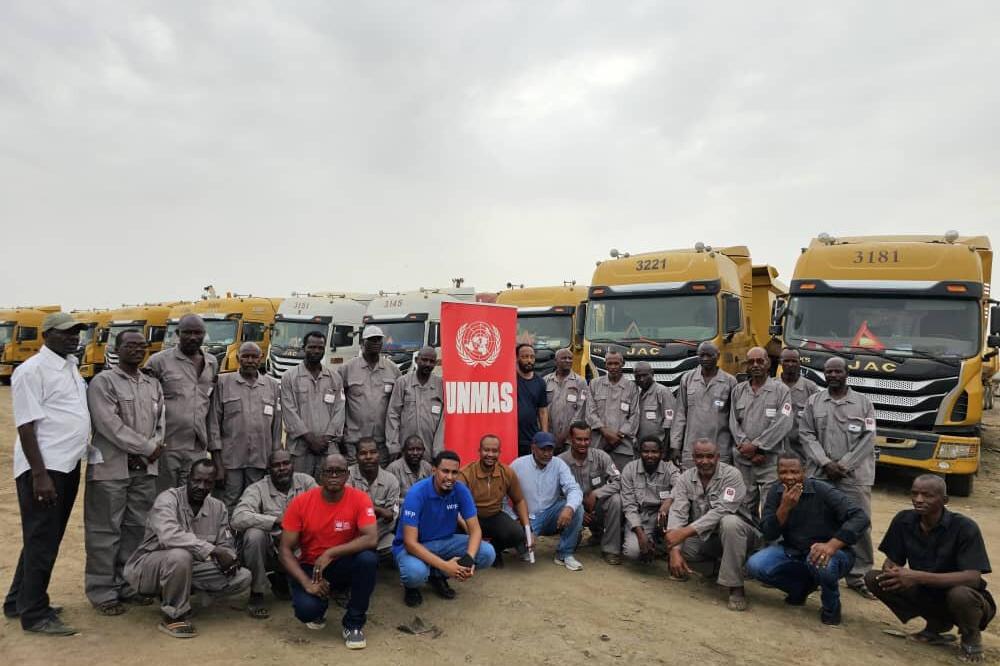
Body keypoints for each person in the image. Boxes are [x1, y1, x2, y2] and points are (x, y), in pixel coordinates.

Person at [4, 312, 90, 635]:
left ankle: (18, 601)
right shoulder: (31, 371)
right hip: (44, 468)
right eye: (66, 332)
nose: (74, 337)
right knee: (43, 540)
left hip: (68, 464)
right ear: (46, 335)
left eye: (77, 332)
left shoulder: (70, 366)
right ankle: (36, 614)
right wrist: (39, 475)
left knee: (42, 538)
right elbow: (25, 426)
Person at [866, 475, 995, 663]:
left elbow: (972, 578)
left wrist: (916, 576)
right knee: (874, 578)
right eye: (914, 493)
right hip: (927, 593)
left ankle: (971, 636)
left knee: (960, 595)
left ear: (944, 501)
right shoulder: (904, 520)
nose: (918, 500)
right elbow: (893, 560)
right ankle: (936, 624)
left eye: (927, 495)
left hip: (966, 599)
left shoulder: (964, 527)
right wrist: (891, 570)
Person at [84, 329, 165, 616]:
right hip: (111, 469)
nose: (137, 350)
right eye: (130, 345)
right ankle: (102, 591)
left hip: (144, 470)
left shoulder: (151, 384)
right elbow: (109, 424)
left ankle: (128, 585)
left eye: (142, 346)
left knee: (135, 530)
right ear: (117, 349)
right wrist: (144, 448)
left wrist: (152, 449)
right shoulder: (102, 382)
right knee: (105, 531)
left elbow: (160, 423)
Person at [123, 459, 252, 638]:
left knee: (242, 577)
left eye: (208, 482)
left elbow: (224, 544)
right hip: (149, 568)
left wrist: (229, 557)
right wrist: (213, 551)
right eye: (197, 480)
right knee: (180, 555)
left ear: (214, 484)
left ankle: (182, 595)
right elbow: (169, 536)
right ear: (187, 478)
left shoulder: (218, 507)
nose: (201, 486)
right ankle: (173, 615)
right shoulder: (167, 499)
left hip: (192, 568)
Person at [746, 452, 869, 625]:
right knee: (756, 565)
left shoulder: (822, 489)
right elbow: (769, 533)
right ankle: (800, 589)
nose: (789, 477)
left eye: (794, 472)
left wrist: (831, 545)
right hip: (793, 550)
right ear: (777, 473)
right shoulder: (776, 492)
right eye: (783, 472)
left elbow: (860, 517)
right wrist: (784, 507)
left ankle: (831, 608)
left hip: (834, 554)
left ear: (804, 471)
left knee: (820, 561)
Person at [278, 453, 378, 650]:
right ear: (319, 475)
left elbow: (371, 538)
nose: (334, 476)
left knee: (368, 559)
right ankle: (319, 603)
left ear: (347, 475)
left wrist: (332, 553)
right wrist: (306, 583)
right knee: (307, 612)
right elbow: (284, 550)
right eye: (328, 471)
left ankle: (354, 623)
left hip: (342, 562)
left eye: (339, 471)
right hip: (311, 566)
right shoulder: (301, 502)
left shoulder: (360, 498)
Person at [800, 356, 877, 600]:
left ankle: (859, 576)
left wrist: (843, 465)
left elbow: (868, 438)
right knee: (818, 521)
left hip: (853, 476)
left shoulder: (863, 404)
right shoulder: (814, 402)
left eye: (837, 371)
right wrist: (825, 462)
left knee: (860, 523)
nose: (832, 375)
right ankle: (817, 569)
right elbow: (806, 434)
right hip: (821, 474)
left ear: (846, 373)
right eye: (828, 371)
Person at [665, 438, 760, 612]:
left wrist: (684, 532)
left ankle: (736, 586)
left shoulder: (732, 475)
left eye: (709, 456)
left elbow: (722, 510)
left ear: (717, 457)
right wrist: (674, 550)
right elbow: (678, 512)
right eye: (699, 457)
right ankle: (714, 568)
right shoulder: (686, 477)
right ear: (693, 458)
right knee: (677, 546)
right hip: (707, 537)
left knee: (729, 522)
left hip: (740, 536)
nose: (704, 461)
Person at [394, 451, 496, 607]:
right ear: (434, 471)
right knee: (416, 574)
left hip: (445, 542)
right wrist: (446, 567)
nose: (450, 477)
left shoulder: (461, 491)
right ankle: (412, 587)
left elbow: (475, 530)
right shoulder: (416, 493)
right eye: (445, 471)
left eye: (454, 472)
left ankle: (436, 575)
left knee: (487, 553)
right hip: (415, 547)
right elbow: (410, 543)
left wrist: (468, 559)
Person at [231, 450, 316, 620]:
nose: (282, 468)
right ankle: (257, 593)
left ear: (293, 465)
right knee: (254, 535)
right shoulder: (257, 488)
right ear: (268, 470)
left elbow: (323, 508)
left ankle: (283, 579)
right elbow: (237, 518)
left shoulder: (306, 482)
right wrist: (275, 520)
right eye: (276, 465)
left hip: (300, 548)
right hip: (271, 551)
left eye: (286, 463)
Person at [145, 314, 219, 492]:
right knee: (164, 498)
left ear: (204, 334)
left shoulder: (212, 362)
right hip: (167, 447)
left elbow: (209, 404)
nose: (193, 337)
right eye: (187, 332)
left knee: (192, 497)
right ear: (177, 333)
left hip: (197, 447)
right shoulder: (158, 361)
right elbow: (146, 404)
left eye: (198, 332)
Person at [208, 342, 283, 510]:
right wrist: (218, 464)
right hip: (230, 462)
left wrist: (275, 460)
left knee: (256, 504)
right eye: (245, 356)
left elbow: (277, 428)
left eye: (254, 357)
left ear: (261, 359)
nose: (249, 360)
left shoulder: (272, 386)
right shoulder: (223, 383)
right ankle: (227, 536)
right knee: (228, 504)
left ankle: (249, 536)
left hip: (260, 462)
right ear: (237, 358)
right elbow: (213, 424)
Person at [729, 347, 794, 519]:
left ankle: (768, 544)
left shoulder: (781, 390)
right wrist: (747, 449)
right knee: (744, 508)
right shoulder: (738, 390)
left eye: (760, 361)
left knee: (770, 508)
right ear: (747, 366)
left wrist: (759, 447)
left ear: (768, 363)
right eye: (751, 362)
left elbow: (783, 422)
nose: (756, 365)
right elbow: (733, 422)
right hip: (744, 461)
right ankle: (751, 544)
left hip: (770, 460)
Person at [511, 432, 585, 571]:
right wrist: (514, 519)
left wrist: (569, 508)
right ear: (533, 448)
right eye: (543, 449)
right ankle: (521, 547)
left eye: (550, 449)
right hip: (525, 519)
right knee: (520, 547)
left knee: (577, 508)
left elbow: (573, 488)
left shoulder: (559, 464)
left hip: (550, 515)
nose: (547, 454)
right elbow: (503, 497)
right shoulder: (517, 465)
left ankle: (565, 554)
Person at [280, 330, 345, 479]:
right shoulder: (289, 378)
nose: (316, 351)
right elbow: (289, 412)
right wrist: (310, 439)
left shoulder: (334, 378)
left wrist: (326, 438)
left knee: (328, 489)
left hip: (328, 449)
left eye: (320, 348)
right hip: (300, 449)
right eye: (312, 347)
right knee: (301, 490)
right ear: (304, 348)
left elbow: (340, 410)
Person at [459, 434, 532, 568]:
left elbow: (519, 500)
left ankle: (495, 550)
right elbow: (455, 507)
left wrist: (528, 529)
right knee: (454, 529)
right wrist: (469, 529)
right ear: (479, 451)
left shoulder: (507, 472)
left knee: (517, 534)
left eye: (494, 451)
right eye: (486, 450)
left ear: (499, 452)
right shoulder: (465, 474)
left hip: (494, 516)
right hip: (469, 518)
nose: (490, 454)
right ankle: (466, 556)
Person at [558, 422, 623, 565]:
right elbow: (556, 494)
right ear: (570, 438)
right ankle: (575, 534)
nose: (583, 443)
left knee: (616, 500)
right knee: (564, 509)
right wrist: (578, 509)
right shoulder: (560, 461)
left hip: (597, 506)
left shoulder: (601, 456)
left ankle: (611, 549)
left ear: (591, 439)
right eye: (578, 439)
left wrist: (597, 493)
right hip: (573, 509)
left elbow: (619, 481)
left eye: (586, 439)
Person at [338, 325, 401, 466]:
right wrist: (340, 436)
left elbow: (398, 408)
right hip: (354, 441)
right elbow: (338, 405)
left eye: (379, 340)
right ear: (362, 343)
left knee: (380, 481)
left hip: (382, 442)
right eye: (371, 340)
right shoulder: (347, 369)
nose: (376, 343)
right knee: (354, 480)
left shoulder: (393, 370)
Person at [670, 342, 737, 468]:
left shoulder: (729, 381)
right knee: (691, 485)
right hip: (691, 450)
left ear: (717, 356)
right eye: (702, 355)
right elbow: (679, 415)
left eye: (709, 355)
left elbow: (734, 419)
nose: (705, 359)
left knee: (719, 484)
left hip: (720, 450)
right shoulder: (687, 379)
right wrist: (675, 445)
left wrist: (735, 449)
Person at [621, 437, 680, 563]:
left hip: (663, 517)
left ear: (662, 453)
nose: (650, 455)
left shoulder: (670, 469)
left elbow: (681, 488)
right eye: (645, 452)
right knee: (632, 553)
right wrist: (640, 534)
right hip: (640, 516)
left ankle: (657, 545)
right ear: (639, 453)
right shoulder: (629, 469)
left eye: (654, 452)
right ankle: (636, 538)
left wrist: (669, 501)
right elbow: (629, 506)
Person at [386, 346, 444, 461]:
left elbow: (443, 422)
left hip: (429, 448)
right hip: (404, 447)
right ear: (417, 360)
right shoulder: (403, 382)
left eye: (432, 361)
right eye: (424, 360)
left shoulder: (440, 385)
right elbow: (393, 415)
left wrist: (438, 451)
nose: (427, 364)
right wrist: (393, 445)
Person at [586, 351, 639, 471]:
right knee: (598, 480)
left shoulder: (632, 387)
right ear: (605, 365)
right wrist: (605, 431)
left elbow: (635, 416)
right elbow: (590, 412)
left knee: (623, 481)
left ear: (623, 364)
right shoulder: (594, 384)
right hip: (599, 445)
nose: (613, 367)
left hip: (623, 447)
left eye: (616, 363)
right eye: (610, 363)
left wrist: (618, 436)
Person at [347, 437, 400, 557]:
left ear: (379, 455)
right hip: (351, 534)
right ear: (356, 456)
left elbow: (391, 516)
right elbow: (346, 508)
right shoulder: (347, 476)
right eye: (363, 453)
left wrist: (363, 508)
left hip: (380, 534)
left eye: (373, 452)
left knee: (396, 546)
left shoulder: (391, 480)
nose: (368, 457)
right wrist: (378, 510)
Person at [545, 348, 589, 453]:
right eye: (564, 358)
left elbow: (581, 410)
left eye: (570, 358)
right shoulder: (546, 381)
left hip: (571, 440)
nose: (568, 360)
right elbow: (542, 410)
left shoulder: (580, 382)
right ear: (556, 361)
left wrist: (569, 434)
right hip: (550, 437)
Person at [778, 348, 819, 458]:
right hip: (775, 449)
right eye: (786, 361)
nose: (790, 364)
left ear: (800, 363)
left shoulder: (811, 388)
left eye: (794, 361)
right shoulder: (772, 386)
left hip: (803, 451)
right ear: (780, 362)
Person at [634, 361, 676, 458]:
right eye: (638, 376)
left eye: (645, 375)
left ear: (652, 374)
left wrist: (665, 451)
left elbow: (670, 422)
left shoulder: (663, 392)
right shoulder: (636, 395)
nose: (641, 379)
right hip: (640, 450)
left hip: (658, 450)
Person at [516, 343, 549, 456]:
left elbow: (543, 411)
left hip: (531, 437)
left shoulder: (540, 382)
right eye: (525, 357)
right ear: (516, 358)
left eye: (532, 357)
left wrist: (544, 436)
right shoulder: (509, 379)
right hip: (511, 438)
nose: (529, 360)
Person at [385, 435, 434, 500]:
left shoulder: (427, 467)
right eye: (411, 449)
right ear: (403, 451)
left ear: (424, 450)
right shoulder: (393, 469)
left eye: (419, 449)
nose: (415, 453)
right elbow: (390, 499)